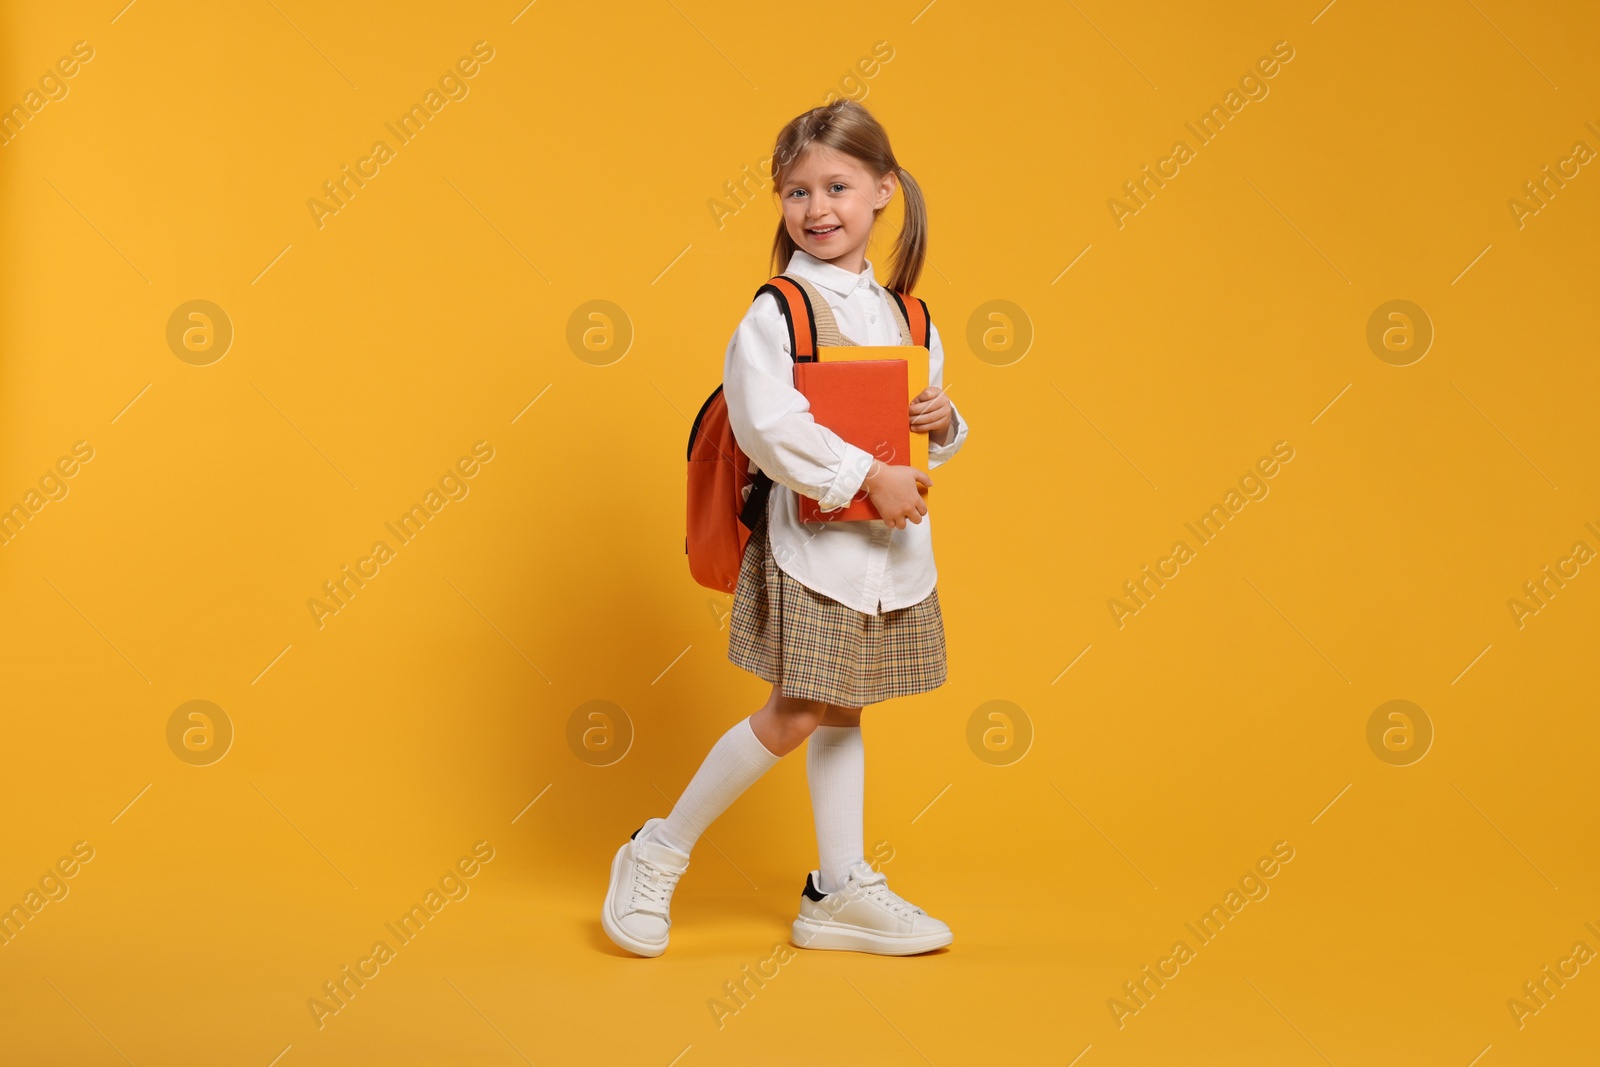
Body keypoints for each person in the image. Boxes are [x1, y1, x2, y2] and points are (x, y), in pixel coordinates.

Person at [601, 99, 970, 958]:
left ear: (884, 190)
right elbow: (766, 422)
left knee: (846, 705)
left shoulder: (911, 318)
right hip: (815, 552)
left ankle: (838, 887)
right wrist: (863, 475)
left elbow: (922, 440)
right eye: (796, 192)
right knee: (799, 708)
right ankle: (656, 850)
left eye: (837, 186)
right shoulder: (778, 314)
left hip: (886, 553)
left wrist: (943, 422)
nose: (818, 209)